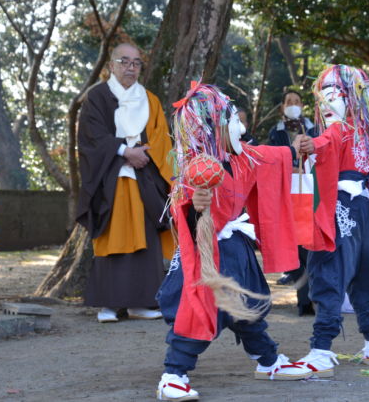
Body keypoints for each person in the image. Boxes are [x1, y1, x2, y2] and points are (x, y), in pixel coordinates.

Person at [156, 84, 311, 401]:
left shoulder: (240, 157)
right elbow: (182, 209)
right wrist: (196, 203)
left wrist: (297, 147)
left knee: (247, 307)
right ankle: (173, 373)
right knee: (204, 308)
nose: (241, 127)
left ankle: (268, 361)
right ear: (212, 128)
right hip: (207, 251)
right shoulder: (196, 165)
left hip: (235, 247)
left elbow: (272, 156)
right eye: (232, 121)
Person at [296, 64, 369, 377]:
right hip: (367, 212)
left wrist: (309, 145)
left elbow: (324, 141)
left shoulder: (344, 130)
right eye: (322, 97)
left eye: (334, 95)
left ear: (352, 99)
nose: (326, 104)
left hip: (343, 207)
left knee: (330, 272)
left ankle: (321, 349)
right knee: (365, 277)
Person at [76, 43, 174, 323]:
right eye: (124, 62)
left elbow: (160, 138)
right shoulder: (97, 97)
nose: (131, 68)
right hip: (111, 177)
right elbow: (91, 136)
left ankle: (142, 303)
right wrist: (123, 151)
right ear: (111, 65)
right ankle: (109, 305)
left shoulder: (150, 99)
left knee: (146, 240)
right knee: (113, 237)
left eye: (136, 63)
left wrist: (143, 154)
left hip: (144, 177)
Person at [268, 89, 317, 316]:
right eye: (289, 102)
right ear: (282, 107)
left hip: (311, 194)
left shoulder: (315, 130)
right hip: (286, 195)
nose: (293, 105)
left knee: (310, 245)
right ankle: (304, 299)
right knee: (295, 247)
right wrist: (290, 167)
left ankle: (312, 297)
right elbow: (270, 160)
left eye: (297, 101)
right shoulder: (275, 132)